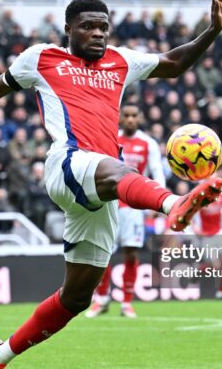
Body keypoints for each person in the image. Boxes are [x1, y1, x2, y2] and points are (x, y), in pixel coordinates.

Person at [0, 0, 222, 367]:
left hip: (100, 188)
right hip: (68, 163)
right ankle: (172, 203)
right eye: (88, 26)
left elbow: (174, 63)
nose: (97, 33)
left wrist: (212, 30)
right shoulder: (41, 58)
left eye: (103, 27)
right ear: (69, 29)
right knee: (118, 169)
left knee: (77, 297)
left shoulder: (120, 61)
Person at [86, 104, 165, 318]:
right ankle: (102, 299)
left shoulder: (148, 143)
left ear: (140, 117)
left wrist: (159, 199)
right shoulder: (111, 138)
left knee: (131, 252)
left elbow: (157, 171)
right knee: (103, 253)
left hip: (134, 208)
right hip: (109, 204)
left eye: (134, 115)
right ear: (120, 118)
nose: (130, 119)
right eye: (126, 116)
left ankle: (127, 302)